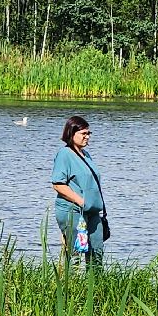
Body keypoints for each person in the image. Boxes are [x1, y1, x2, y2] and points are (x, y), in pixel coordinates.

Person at [51, 114, 107, 268]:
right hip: (73, 211)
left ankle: (96, 287)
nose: (87, 137)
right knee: (75, 253)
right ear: (71, 133)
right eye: (83, 133)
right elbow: (58, 184)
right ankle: (72, 287)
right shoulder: (64, 154)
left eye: (89, 133)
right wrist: (81, 201)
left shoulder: (86, 155)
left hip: (93, 212)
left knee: (97, 252)